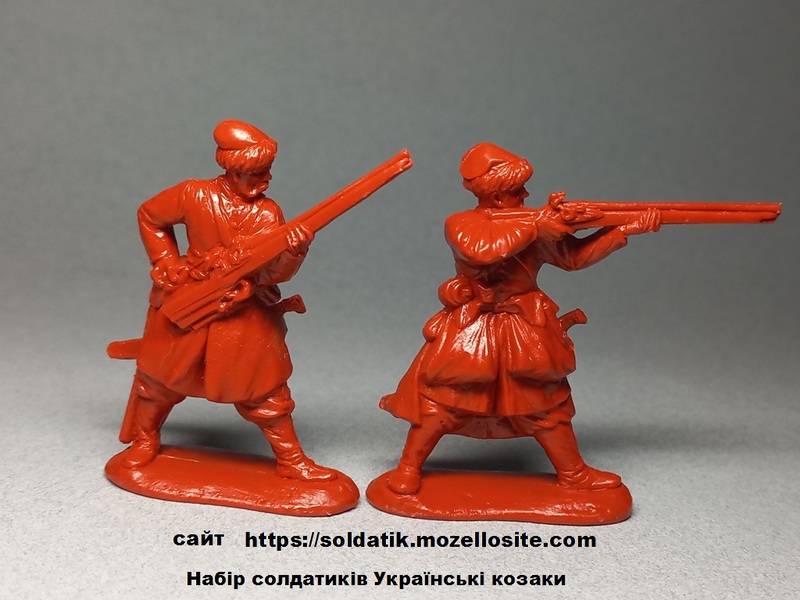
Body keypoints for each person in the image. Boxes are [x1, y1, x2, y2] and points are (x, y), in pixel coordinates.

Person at [380, 142, 660, 494]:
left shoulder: (534, 224)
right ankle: (408, 468)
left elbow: (572, 259)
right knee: (444, 401)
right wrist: (537, 226)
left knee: (544, 401)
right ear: (498, 197)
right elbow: (481, 251)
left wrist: (624, 230)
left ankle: (573, 474)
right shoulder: (463, 223)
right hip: (475, 326)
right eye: (518, 190)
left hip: (524, 326)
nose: (527, 195)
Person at [121, 119, 335, 481]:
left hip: (243, 312)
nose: (266, 179)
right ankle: (145, 439)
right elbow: (150, 216)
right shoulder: (194, 194)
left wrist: (294, 252)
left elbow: (271, 275)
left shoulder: (268, 213)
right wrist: (166, 262)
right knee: (158, 381)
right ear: (235, 170)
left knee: (267, 392)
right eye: (257, 173)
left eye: (268, 171)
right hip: (190, 301)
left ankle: (291, 460)